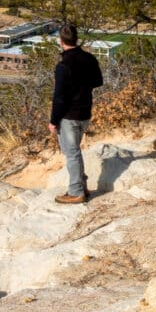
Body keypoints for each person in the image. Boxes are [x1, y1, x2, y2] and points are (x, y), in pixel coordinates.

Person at [50, 23, 104, 204]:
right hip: (85, 112)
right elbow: (98, 81)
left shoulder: (63, 66)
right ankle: (82, 185)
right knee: (73, 151)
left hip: (69, 116)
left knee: (71, 153)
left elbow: (59, 98)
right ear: (76, 38)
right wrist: (82, 85)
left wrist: (53, 121)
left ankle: (76, 191)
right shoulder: (89, 58)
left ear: (61, 41)